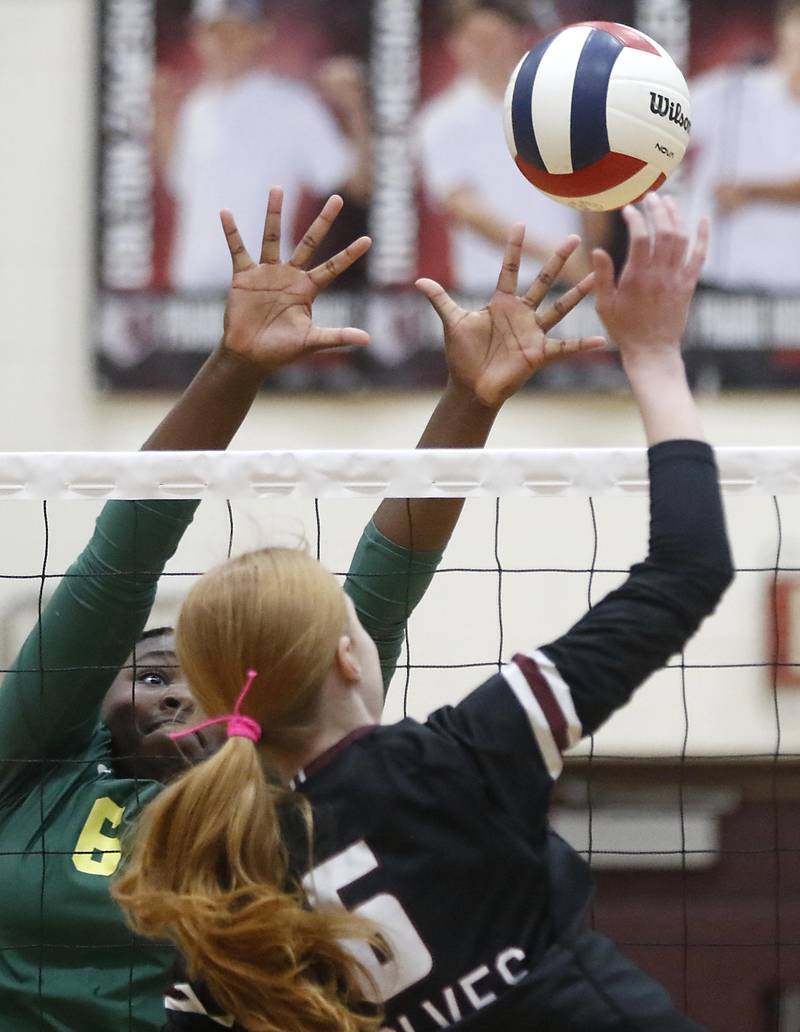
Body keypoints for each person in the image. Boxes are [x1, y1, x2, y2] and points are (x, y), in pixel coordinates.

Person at [114, 193, 732, 1032]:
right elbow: (688, 570)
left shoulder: (231, 889)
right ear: (346, 657)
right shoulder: (462, 760)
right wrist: (656, 357)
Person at [0, 184, 597, 1031]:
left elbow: (377, 594)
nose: (175, 694)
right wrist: (233, 365)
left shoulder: (289, 797)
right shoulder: (35, 765)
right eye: (154, 672)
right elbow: (120, 561)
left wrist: (472, 398)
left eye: (202, 678)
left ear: (260, 704)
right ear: (93, 692)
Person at [167, 0, 370, 292]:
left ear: (261, 35)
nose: (224, 43)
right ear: (198, 38)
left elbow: (356, 183)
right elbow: (183, 188)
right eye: (213, 32)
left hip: (263, 290)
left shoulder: (293, 105)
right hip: (190, 291)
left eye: (235, 31)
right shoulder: (195, 108)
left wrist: (355, 109)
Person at [417, 0, 604, 296]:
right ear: (455, 45)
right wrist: (552, 256)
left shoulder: (561, 102)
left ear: (518, 36)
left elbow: (592, 184)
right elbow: (464, 208)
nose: (487, 51)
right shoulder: (441, 120)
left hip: (572, 280)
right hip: (493, 286)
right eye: (476, 40)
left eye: (495, 39)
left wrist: (591, 253)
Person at [681, 0, 800, 293]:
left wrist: (750, 191)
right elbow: (667, 124)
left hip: (790, 282)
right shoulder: (734, 88)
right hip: (717, 276)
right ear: (783, 30)